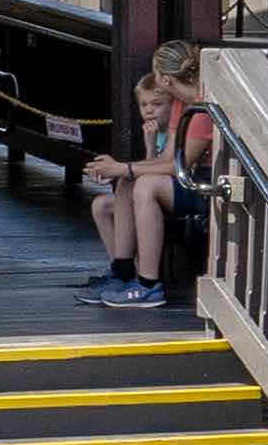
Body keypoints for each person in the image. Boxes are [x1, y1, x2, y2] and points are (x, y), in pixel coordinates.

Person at [81, 40, 218, 312]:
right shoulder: (182, 104)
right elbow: (166, 159)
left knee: (145, 187)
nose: (154, 79)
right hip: (187, 177)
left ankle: (148, 283)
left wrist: (123, 167)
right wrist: (122, 170)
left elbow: (178, 165)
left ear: (165, 79)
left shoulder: (203, 107)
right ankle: (122, 272)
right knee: (128, 183)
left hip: (207, 182)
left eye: (156, 74)